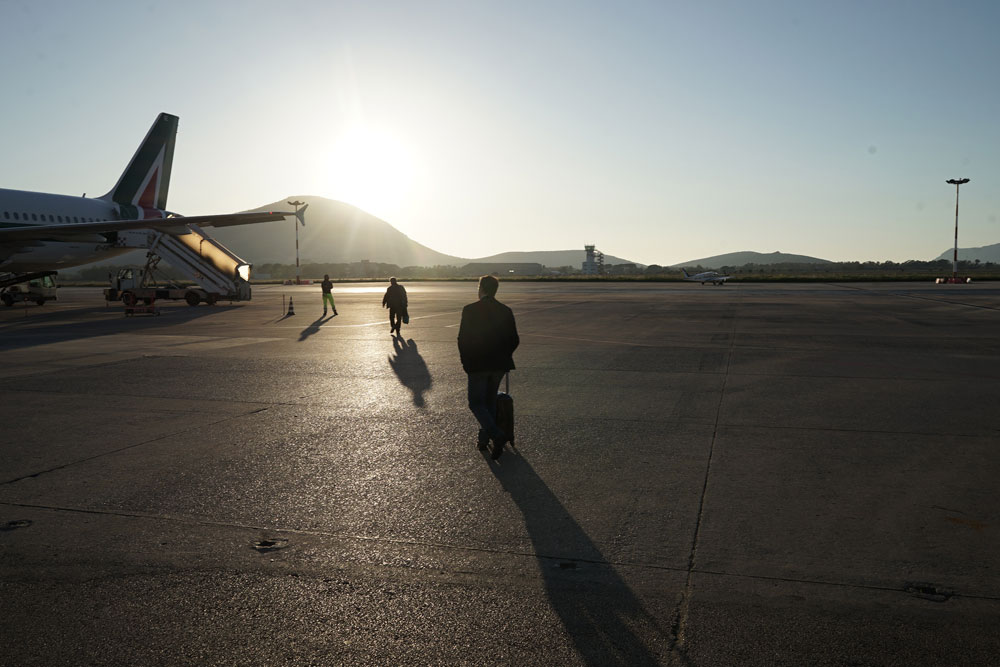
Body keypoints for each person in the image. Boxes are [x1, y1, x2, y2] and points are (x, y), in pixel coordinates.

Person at [457, 275, 519, 459]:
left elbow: (463, 339)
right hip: (499, 365)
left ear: (481, 288)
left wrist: (465, 361)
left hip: (478, 364)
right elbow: (514, 339)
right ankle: (484, 440)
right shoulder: (505, 310)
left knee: (476, 403)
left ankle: (496, 435)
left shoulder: (470, 310)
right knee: (490, 402)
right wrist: (505, 356)